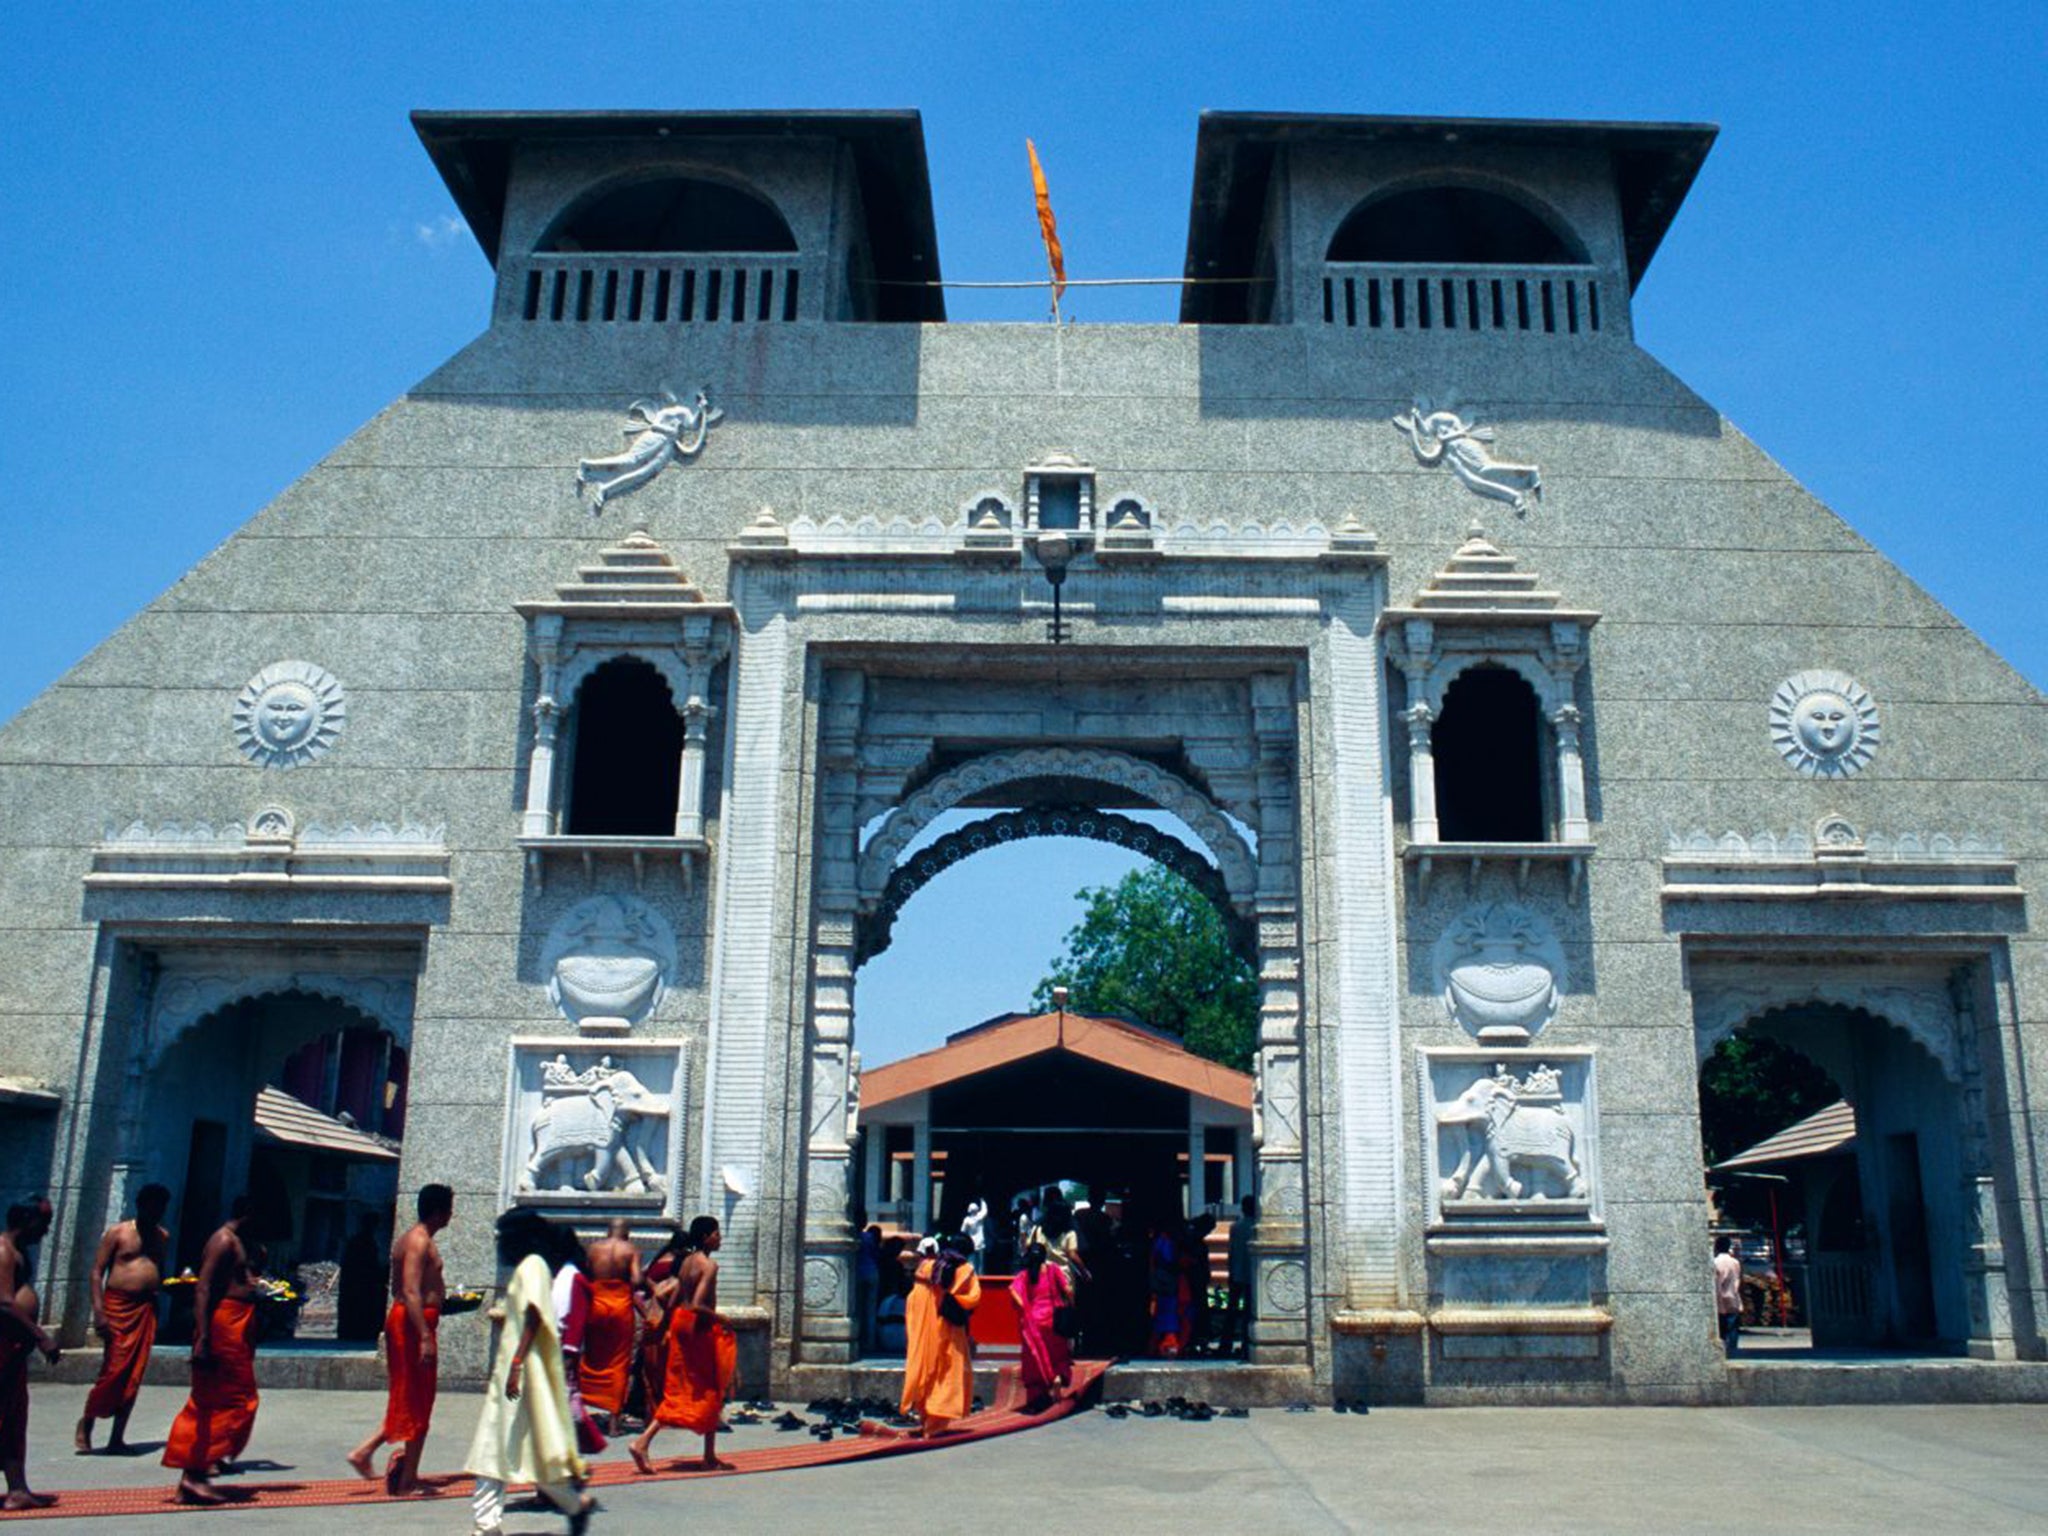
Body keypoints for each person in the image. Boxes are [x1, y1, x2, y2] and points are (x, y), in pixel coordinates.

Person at [465, 1210, 595, 1536]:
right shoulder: (531, 1265)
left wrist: (517, 1363)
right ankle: (573, 1505)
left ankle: (487, 1527)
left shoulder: (534, 1264)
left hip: (522, 1375)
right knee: (526, 1448)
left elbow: (535, 1315)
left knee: (495, 1447)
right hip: (516, 1374)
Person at [346, 1183, 452, 1494]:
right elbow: (408, 1290)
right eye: (449, 1208)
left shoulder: (415, 1239)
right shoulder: (417, 1241)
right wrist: (423, 1336)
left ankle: (391, 1464)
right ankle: (398, 1472)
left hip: (416, 1321)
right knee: (415, 1397)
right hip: (411, 1324)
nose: (451, 1214)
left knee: (415, 1397)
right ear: (438, 1211)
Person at [162, 1196, 261, 1505]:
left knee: (235, 1397)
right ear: (248, 1213)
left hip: (236, 1323)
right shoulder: (222, 1240)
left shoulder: (237, 1242)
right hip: (222, 1326)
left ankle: (198, 1473)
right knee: (226, 1400)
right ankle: (194, 1474)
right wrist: (203, 1337)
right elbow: (203, 1287)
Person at [630, 1217, 734, 1473]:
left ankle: (709, 1454)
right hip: (698, 1328)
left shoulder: (686, 1262)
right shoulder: (708, 1266)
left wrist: (665, 1327)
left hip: (680, 1324)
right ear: (707, 1236)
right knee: (708, 1386)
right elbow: (698, 1304)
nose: (720, 1238)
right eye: (717, 1233)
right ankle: (643, 1441)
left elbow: (674, 1297)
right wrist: (721, 1318)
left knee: (689, 1386)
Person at [76, 1182, 169, 1454]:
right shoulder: (118, 1233)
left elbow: (159, 1271)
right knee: (114, 1369)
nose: (156, 1213)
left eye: (160, 1208)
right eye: (151, 1206)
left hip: (146, 1308)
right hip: (118, 1306)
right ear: (140, 1205)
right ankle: (89, 1419)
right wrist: (98, 1311)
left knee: (134, 1374)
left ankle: (117, 1437)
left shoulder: (162, 1236)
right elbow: (97, 1272)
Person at [1, 1199, 62, 1510]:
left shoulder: (19, 1252)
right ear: (26, 1219)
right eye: (44, 1223)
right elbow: (5, 1303)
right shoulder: (3, 1250)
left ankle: (18, 1489)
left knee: (12, 1419)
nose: (46, 1231)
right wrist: (41, 1337)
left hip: (12, 1352)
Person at [897, 1231, 980, 1438]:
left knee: (924, 1364)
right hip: (948, 1323)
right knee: (948, 1368)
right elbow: (973, 1297)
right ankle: (935, 1422)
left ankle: (925, 1418)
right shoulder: (964, 1269)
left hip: (922, 1322)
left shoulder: (928, 1265)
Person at [580, 1219, 641, 1434]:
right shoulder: (630, 1249)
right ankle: (614, 1423)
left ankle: (582, 1413)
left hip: (596, 1304)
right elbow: (636, 1279)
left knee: (592, 1358)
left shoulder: (594, 1249)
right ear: (626, 1233)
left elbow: (585, 1275)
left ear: (607, 1231)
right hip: (620, 1306)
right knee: (619, 1362)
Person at [1008, 1242, 1072, 1412]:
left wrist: (1024, 1308)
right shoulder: (1053, 1270)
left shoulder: (1025, 1275)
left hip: (1033, 1322)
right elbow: (1068, 1290)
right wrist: (1071, 1305)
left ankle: (1039, 1393)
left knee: (1035, 1360)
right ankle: (1057, 1377)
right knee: (1058, 1354)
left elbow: (1012, 1291)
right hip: (1053, 1320)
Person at [1227, 1194, 1257, 1359]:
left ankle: (1226, 1344)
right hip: (1251, 1275)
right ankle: (1247, 1344)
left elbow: (1231, 1252)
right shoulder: (1256, 1226)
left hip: (1237, 1272)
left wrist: (1230, 1271)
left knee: (1232, 1311)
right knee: (1249, 1312)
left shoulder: (1236, 1227)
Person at [853, 1225, 882, 1355]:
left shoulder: (854, 1235)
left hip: (858, 1272)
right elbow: (876, 1254)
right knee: (870, 1310)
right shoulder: (869, 1237)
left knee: (857, 1308)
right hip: (871, 1271)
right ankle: (870, 1342)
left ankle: (857, 1338)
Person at [1713, 1236, 1744, 1356]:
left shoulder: (1715, 1262)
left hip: (1720, 1298)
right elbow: (1738, 1279)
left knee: (1721, 1329)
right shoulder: (1735, 1262)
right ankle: (1733, 1352)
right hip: (1733, 1296)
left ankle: (1722, 1353)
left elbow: (1716, 1282)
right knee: (1733, 1328)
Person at [959, 1199, 988, 1274]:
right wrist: (982, 1200)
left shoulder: (967, 1220)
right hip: (981, 1242)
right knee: (981, 1263)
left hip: (971, 1243)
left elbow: (962, 1231)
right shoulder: (980, 1217)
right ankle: (981, 1276)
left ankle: (972, 1275)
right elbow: (985, 1210)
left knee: (972, 1261)